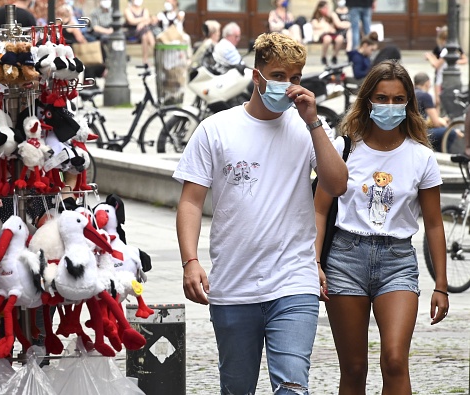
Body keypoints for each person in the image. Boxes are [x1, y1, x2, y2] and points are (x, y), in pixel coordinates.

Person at [174, 32, 348, 394]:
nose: (288, 86)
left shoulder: (308, 127)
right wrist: (190, 260)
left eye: (296, 77)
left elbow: (337, 184)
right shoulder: (216, 129)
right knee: (237, 388)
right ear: (257, 77)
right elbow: (191, 200)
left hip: (293, 280)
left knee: (292, 386)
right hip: (234, 286)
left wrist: (314, 122)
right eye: (280, 76)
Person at [314, 60, 449, 394]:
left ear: (409, 104)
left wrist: (442, 285)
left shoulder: (421, 157)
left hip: (397, 262)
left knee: (394, 360)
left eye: (398, 99)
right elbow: (319, 209)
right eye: (382, 98)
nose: (390, 106)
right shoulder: (345, 147)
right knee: (354, 367)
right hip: (345, 259)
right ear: (367, 100)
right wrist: (314, 263)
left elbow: (433, 224)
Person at [424, 25, 467, 115]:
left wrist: (429, 57)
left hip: (442, 81)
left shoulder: (446, 50)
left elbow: (436, 65)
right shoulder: (452, 49)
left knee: (439, 103)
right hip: (445, 79)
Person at [414, 71, 460, 152]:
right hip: (420, 134)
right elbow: (436, 122)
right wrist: (447, 125)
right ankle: (439, 154)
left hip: (411, 132)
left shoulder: (411, 93)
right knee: (451, 133)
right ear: (427, 83)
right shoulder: (425, 96)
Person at [310, 0, 350, 65]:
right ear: (320, 8)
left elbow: (337, 24)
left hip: (332, 33)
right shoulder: (316, 18)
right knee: (327, 39)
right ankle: (324, 56)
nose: (326, 9)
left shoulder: (331, 15)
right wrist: (326, 28)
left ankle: (335, 56)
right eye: (325, 7)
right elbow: (316, 26)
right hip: (323, 34)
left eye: (327, 7)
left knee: (340, 38)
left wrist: (332, 16)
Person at [123, 0, 156, 65]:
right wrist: (143, 19)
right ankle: (154, 52)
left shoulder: (145, 10)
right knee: (146, 32)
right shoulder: (127, 10)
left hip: (143, 31)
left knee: (144, 36)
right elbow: (131, 21)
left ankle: (145, 60)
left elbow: (148, 20)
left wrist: (142, 24)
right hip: (132, 31)